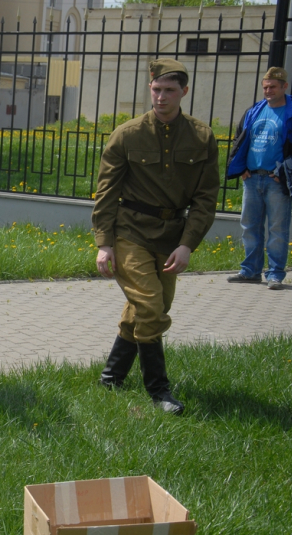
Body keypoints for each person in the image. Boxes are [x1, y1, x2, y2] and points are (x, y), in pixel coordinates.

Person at [92, 59, 220, 415]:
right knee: (150, 306)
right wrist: (104, 244)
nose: (161, 97)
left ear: (184, 92)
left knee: (153, 307)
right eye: (156, 89)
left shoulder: (202, 137)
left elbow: (206, 198)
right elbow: (106, 192)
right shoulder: (127, 134)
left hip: (172, 236)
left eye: (170, 91)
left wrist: (187, 244)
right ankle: (159, 391)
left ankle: (111, 377)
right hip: (130, 231)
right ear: (150, 89)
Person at [225, 67, 292, 290]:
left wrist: (284, 171)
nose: (268, 91)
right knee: (249, 227)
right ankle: (250, 271)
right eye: (265, 87)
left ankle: (275, 274)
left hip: (276, 182)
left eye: (273, 87)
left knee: (277, 230)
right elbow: (238, 138)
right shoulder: (254, 111)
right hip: (252, 178)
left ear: (284, 86)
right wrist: (242, 169)